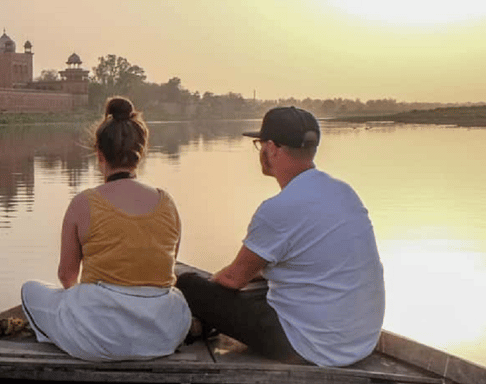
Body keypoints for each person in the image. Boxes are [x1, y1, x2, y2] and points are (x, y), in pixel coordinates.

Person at [177, 106, 385, 367]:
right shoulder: (344, 192)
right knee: (263, 281)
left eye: (259, 144)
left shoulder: (278, 208)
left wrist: (208, 292)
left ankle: (197, 326)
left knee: (188, 285)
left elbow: (232, 279)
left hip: (308, 346)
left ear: (272, 148)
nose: (260, 152)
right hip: (361, 341)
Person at [20, 97, 192, 362]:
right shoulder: (166, 202)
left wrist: (87, 303)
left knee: (29, 290)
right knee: (175, 294)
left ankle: (68, 336)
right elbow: (168, 272)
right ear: (141, 151)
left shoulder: (83, 203)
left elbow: (67, 276)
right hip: (162, 335)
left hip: (98, 338)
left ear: (99, 154)